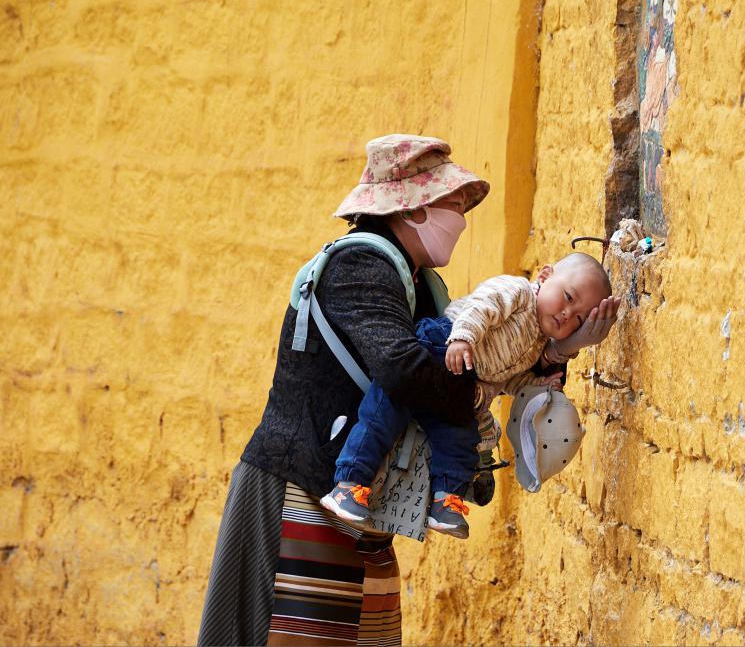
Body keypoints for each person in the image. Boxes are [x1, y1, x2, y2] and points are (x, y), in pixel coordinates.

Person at [198, 134, 490, 646]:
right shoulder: (362, 266)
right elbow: (401, 369)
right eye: (452, 202)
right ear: (411, 208)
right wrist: (475, 392)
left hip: (357, 503)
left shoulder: (418, 281)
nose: (462, 215)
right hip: (300, 494)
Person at [321, 252, 619, 539]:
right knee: (383, 416)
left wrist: (539, 386)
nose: (567, 314)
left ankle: (445, 501)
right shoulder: (518, 292)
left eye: (578, 321)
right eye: (567, 297)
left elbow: (507, 380)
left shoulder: (537, 343)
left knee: (462, 439)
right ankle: (349, 484)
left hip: (463, 385)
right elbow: (482, 306)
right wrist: (463, 337)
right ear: (545, 275)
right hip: (439, 348)